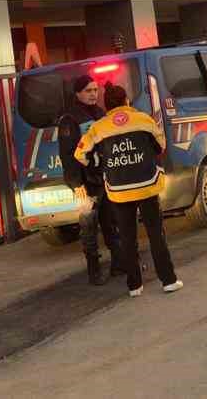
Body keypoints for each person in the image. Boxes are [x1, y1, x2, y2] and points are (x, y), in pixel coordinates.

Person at [76, 84, 182, 297]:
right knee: (156, 235)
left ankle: (134, 286)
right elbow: (160, 146)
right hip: (147, 186)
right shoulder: (144, 120)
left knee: (127, 237)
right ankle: (168, 280)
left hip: (119, 190)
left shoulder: (98, 127)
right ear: (126, 101)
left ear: (107, 105)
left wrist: (100, 161)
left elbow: (80, 154)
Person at [56, 75, 120, 286]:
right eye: (88, 91)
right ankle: (94, 272)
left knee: (112, 224)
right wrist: (76, 185)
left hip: (103, 179)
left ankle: (119, 264)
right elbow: (68, 155)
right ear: (77, 93)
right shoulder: (70, 119)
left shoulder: (101, 114)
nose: (94, 94)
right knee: (89, 228)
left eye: (95, 90)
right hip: (85, 183)